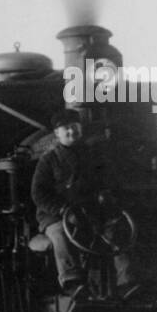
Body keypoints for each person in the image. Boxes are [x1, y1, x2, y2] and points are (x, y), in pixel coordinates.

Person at [32, 108, 138, 297]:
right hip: (55, 216)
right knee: (59, 234)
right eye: (66, 128)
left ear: (81, 128)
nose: (71, 131)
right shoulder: (48, 160)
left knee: (116, 229)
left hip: (90, 211)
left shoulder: (93, 156)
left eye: (74, 127)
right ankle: (72, 282)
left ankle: (126, 282)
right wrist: (63, 209)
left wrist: (106, 196)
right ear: (57, 133)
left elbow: (106, 181)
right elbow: (38, 194)